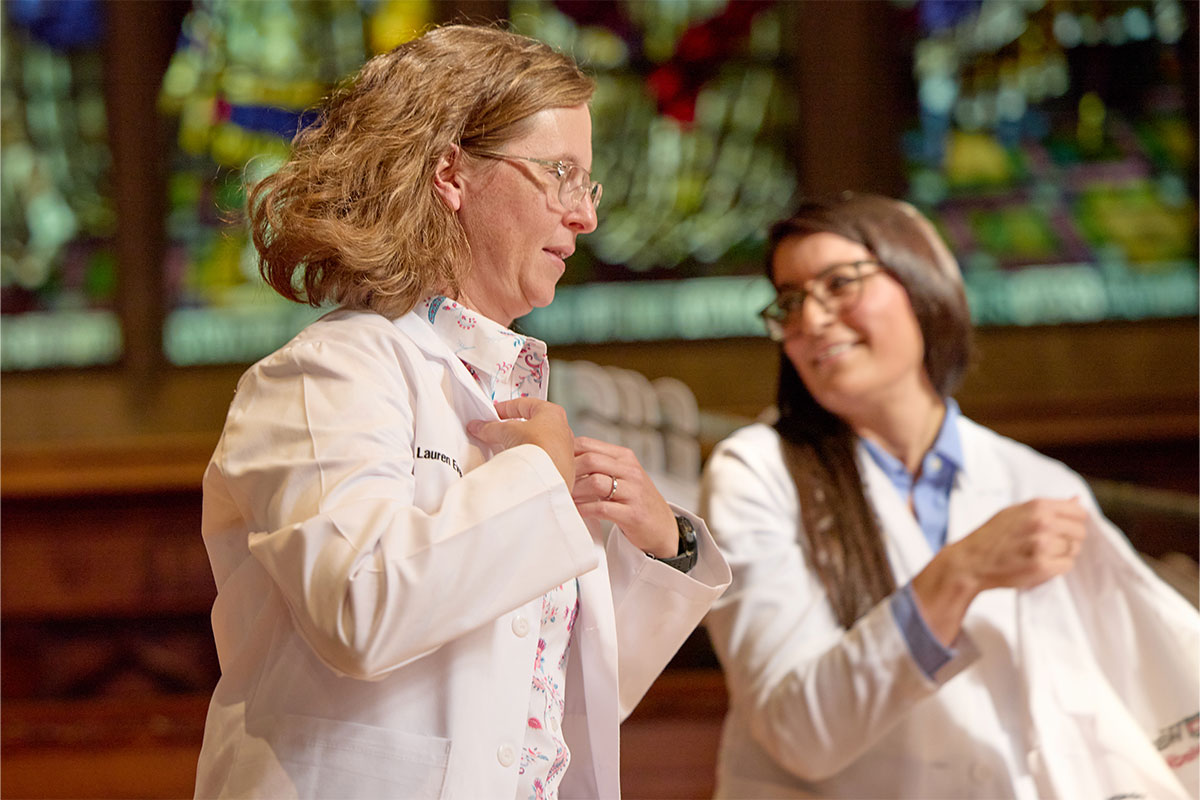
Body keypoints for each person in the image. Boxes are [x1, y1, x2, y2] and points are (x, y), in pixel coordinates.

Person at [193, 25, 730, 800]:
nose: (585, 218)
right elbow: (360, 608)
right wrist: (540, 477)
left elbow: (544, 708)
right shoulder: (330, 372)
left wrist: (663, 552)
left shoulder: (510, 391)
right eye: (559, 175)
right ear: (451, 172)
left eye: (590, 185)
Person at [701, 193, 1199, 799]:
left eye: (839, 283)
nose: (811, 320)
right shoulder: (756, 472)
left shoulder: (1040, 484)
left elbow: (1108, 707)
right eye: (791, 300)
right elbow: (798, 731)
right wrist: (958, 573)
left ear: (921, 283)